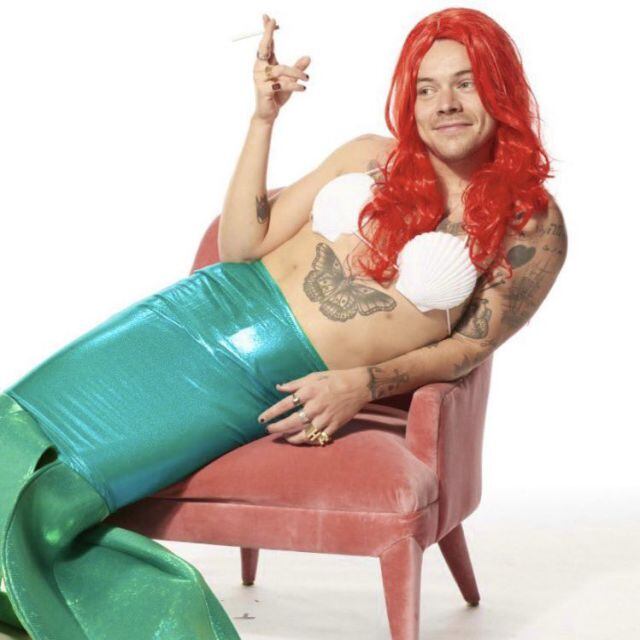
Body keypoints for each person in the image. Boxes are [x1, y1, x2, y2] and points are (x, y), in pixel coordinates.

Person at [0, 7, 568, 639]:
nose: (446, 105)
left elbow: (467, 350)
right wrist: (263, 119)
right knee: (11, 426)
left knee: (61, 497)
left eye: (466, 83)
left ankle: (157, 617)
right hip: (193, 316)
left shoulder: (531, 226)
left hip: (261, 382)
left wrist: (362, 384)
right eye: (426, 89)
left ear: (500, 89)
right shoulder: (367, 155)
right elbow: (242, 245)